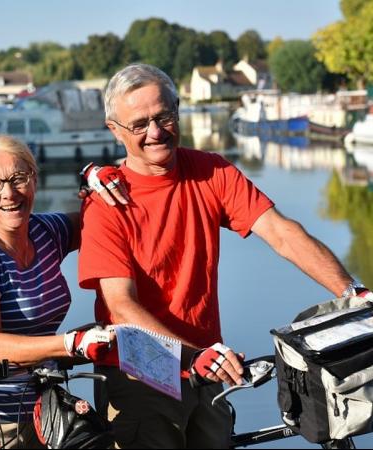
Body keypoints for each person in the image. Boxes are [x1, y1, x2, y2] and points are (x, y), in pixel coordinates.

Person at [77, 63, 371, 449]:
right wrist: (193, 356)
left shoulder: (211, 171)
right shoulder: (107, 204)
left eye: (163, 116)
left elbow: (282, 233)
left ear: (177, 109)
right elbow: (120, 306)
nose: (155, 132)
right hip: (142, 376)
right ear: (115, 130)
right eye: (139, 124)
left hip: (209, 368)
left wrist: (354, 293)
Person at [0, 135, 118, 449]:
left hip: (38, 409)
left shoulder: (45, 232)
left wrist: (100, 186)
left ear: (34, 179)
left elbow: (100, 221)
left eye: (19, 179)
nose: (9, 194)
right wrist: (70, 344)